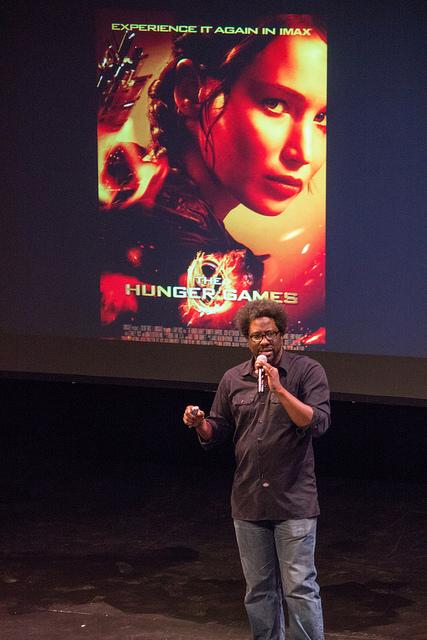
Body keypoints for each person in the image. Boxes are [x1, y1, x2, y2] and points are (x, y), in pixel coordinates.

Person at [100, 14, 327, 336]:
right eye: (275, 104)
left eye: (322, 117)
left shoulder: (121, 184)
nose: (303, 153)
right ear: (191, 91)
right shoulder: (201, 257)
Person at [183, 300, 330, 640]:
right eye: (255, 336)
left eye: (270, 334)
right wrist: (200, 423)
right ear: (246, 340)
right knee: (259, 590)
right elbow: (216, 431)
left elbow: (317, 422)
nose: (264, 342)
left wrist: (279, 388)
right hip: (249, 501)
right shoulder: (233, 378)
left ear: (283, 334)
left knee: (299, 588)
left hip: (293, 500)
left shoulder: (307, 371)